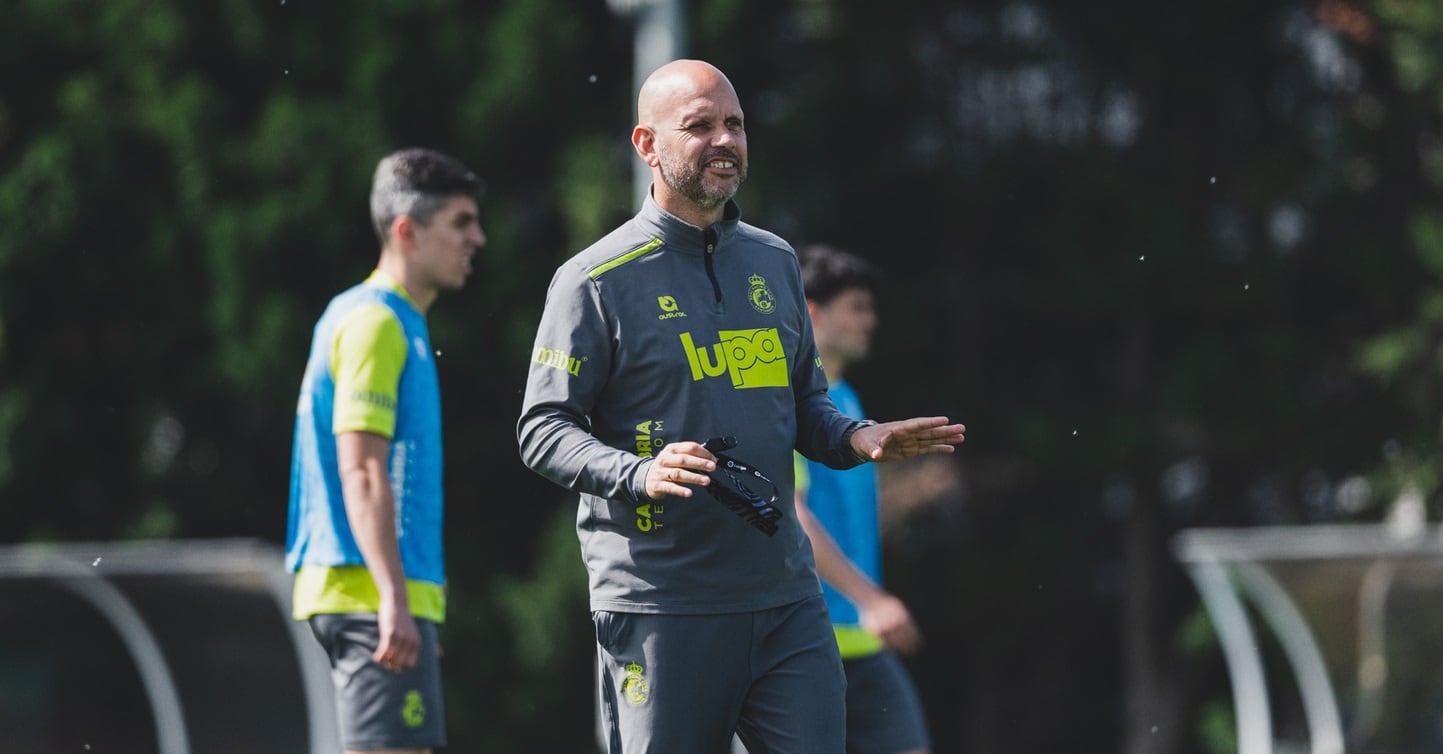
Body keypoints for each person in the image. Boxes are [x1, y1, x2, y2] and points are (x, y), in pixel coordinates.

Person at [516, 59, 965, 754]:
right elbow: (543, 430)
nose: (724, 139)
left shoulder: (774, 261)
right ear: (646, 145)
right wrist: (637, 472)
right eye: (699, 126)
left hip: (784, 601)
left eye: (734, 124)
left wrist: (857, 438)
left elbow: (805, 407)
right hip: (663, 603)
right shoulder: (591, 282)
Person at [285, 147, 485, 754]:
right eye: (460, 222)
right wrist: (394, 599)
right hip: (366, 591)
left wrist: (413, 598)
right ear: (407, 231)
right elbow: (363, 470)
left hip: (381, 591)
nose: (478, 237)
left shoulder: (393, 321)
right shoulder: (375, 322)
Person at [795, 243, 932, 754]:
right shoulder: (787, 403)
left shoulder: (848, 399)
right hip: (803, 644)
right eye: (857, 307)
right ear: (812, 311)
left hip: (862, 643)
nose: (870, 321)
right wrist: (871, 598)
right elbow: (793, 514)